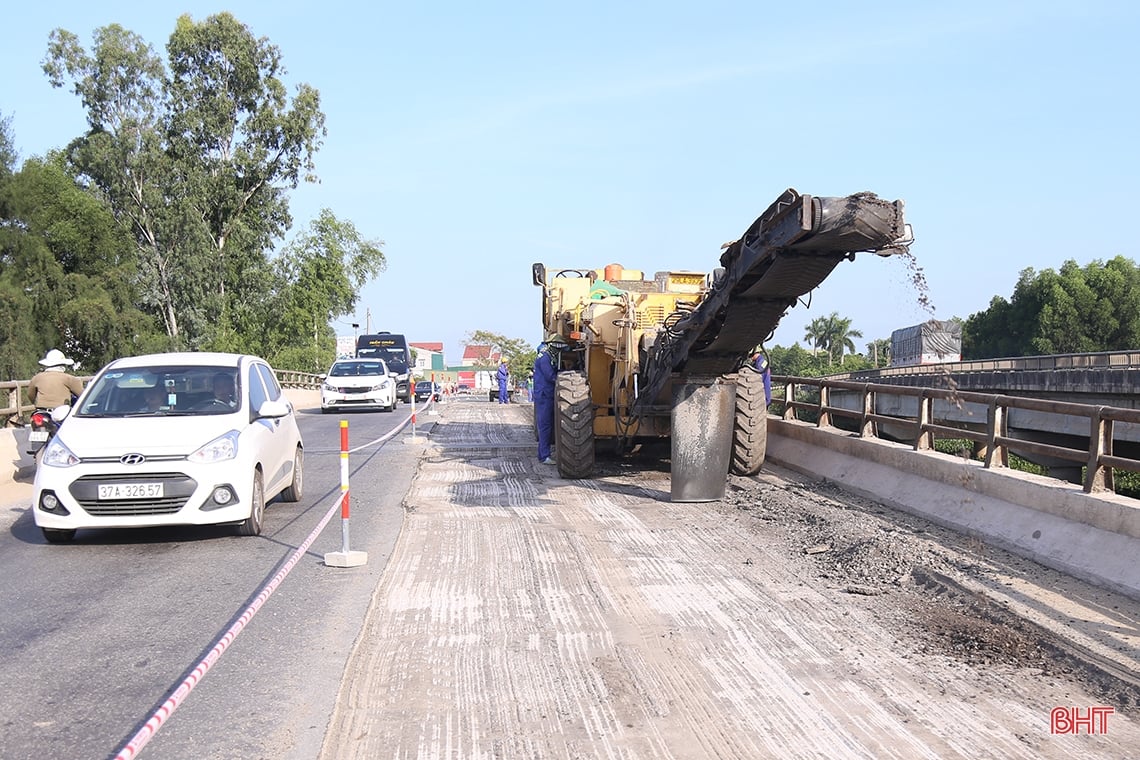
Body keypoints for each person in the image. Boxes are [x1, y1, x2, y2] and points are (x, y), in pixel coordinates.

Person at [533, 335, 561, 465]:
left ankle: (544, 454)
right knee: (545, 426)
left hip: (546, 394)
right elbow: (550, 376)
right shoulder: (544, 358)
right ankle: (544, 456)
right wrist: (561, 378)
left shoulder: (546, 356)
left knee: (547, 425)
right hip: (544, 394)